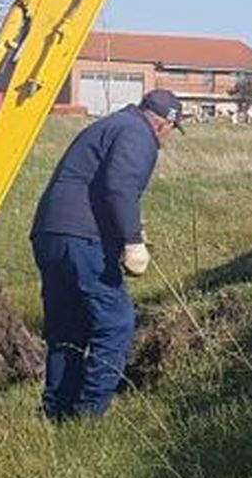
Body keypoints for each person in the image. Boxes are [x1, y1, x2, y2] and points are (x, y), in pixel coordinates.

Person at [29, 88, 184, 419]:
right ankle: (89, 414)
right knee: (117, 323)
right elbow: (120, 186)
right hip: (83, 239)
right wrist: (132, 241)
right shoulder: (139, 134)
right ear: (163, 125)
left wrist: (129, 229)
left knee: (67, 329)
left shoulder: (111, 125)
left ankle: (55, 412)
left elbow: (101, 186)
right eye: (173, 131)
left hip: (50, 233)